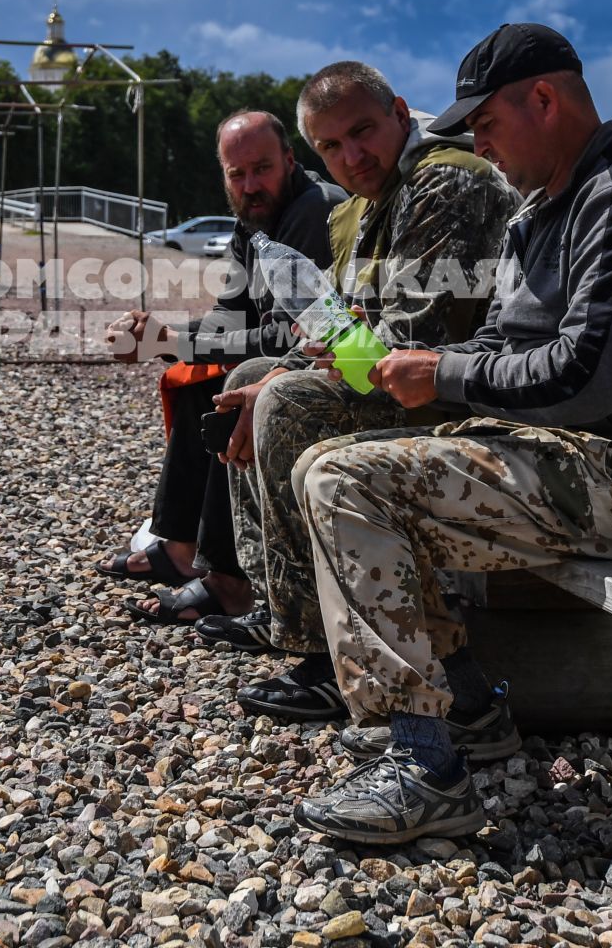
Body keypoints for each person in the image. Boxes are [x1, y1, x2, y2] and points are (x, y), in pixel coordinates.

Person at [290, 22, 612, 843]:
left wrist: (444, 377)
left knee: (348, 483)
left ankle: (424, 767)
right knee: (328, 459)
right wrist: (421, 361)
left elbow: (591, 376)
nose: (480, 146)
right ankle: (471, 710)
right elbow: (504, 347)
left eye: (486, 125)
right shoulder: (541, 211)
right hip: (565, 455)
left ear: (546, 100)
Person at [200, 60, 514, 714]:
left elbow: (414, 332)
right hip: (420, 374)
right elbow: (351, 323)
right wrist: (296, 361)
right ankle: (279, 609)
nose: (352, 155)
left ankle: (323, 654)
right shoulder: (375, 203)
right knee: (249, 380)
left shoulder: (443, 180)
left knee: (281, 400)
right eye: (331, 146)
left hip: (471, 389)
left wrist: (300, 371)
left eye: (362, 131)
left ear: (400, 114)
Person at [94, 110, 343, 622]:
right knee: (192, 379)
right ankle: (182, 546)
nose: (250, 185)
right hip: (295, 349)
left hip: (330, 361)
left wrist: (174, 341)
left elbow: (288, 334)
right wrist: (165, 339)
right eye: (237, 174)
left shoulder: (313, 213)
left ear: (291, 160)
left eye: (262, 168)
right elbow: (230, 316)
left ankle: (230, 580)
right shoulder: (252, 218)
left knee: (236, 383)